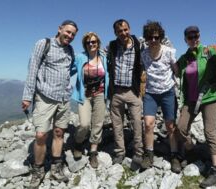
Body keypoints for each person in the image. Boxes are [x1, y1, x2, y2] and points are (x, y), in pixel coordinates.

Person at [21, 20, 78, 188]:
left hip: (63, 98)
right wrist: (27, 96)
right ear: (59, 29)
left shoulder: (70, 50)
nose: (70, 36)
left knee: (59, 133)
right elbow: (32, 69)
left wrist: (69, 89)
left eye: (73, 34)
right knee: (41, 135)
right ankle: (38, 170)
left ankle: (55, 167)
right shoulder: (43, 44)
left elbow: (68, 71)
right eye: (67, 32)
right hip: (45, 96)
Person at [175, 26, 216, 187]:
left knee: (209, 132)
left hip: (209, 98)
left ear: (199, 36)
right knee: (181, 128)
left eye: (196, 36)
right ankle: (191, 152)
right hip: (190, 100)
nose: (193, 39)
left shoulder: (208, 52)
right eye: (190, 37)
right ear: (185, 40)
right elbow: (175, 71)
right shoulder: (184, 58)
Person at [138, 21, 180, 173]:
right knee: (148, 124)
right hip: (151, 93)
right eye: (150, 37)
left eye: (156, 37)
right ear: (146, 38)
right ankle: (149, 153)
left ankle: (174, 154)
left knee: (170, 125)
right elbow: (142, 71)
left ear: (160, 37)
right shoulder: (144, 54)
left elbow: (176, 71)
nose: (153, 40)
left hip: (168, 91)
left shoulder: (169, 52)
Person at [107, 19, 143, 165]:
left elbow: (158, 42)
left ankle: (139, 152)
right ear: (115, 33)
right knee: (117, 124)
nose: (123, 33)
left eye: (125, 29)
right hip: (116, 91)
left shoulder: (138, 44)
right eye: (120, 31)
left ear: (129, 29)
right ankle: (119, 152)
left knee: (136, 122)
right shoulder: (112, 46)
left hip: (132, 91)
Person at [70, 32, 109, 169]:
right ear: (85, 45)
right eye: (88, 42)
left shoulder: (104, 57)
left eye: (94, 42)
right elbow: (69, 70)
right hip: (84, 94)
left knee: (98, 123)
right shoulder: (80, 57)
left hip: (100, 94)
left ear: (98, 43)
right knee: (85, 124)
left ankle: (93, 151)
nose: (91, 44)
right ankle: (78, 142)